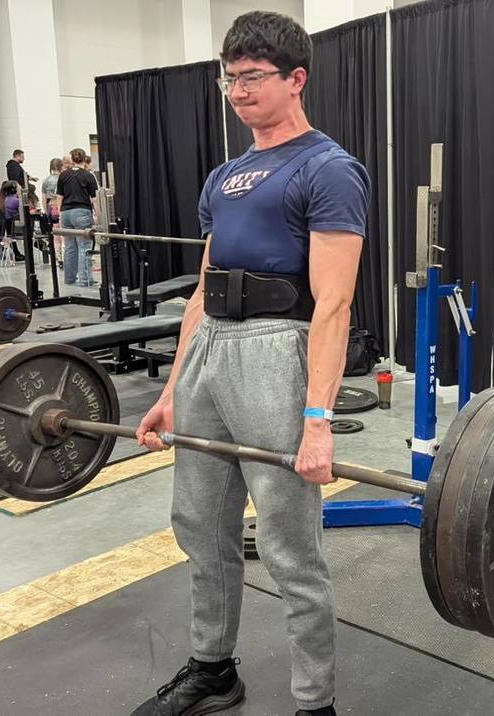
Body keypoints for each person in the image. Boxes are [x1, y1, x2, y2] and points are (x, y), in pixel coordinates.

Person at [132, 11, 368, 716]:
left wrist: (318, 419)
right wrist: (172, 391)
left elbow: (333, 304)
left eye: (253, 77)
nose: (238, 91)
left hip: (276, 351)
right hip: (212, 349)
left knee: (290, 546)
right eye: (229, 78)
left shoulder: (328, 168)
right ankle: (213, 668)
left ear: (296, 79)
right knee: (200, 526)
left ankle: (315, 702)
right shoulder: (224, 177)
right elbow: (202, 292)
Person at [56, 147, 99, 287]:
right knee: (84, 246)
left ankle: (69, 278)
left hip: (66, 213)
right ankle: (85, 279)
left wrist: (60, 215)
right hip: (81, 212)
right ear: (84, 159)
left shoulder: (63, 175)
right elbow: (94, 199)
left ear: (72, 159)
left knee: (69, 246)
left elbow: (59, 197)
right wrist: (98, 215)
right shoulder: (88, 176)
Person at [42, 159, 64, 267]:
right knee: (64, 234)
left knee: (56, 235)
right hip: (62, 206)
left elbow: (44, 198)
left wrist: (46, 212)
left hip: (51, 207)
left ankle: (58, 257)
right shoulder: (63, 178)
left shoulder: (46, 180)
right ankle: (65, 256)